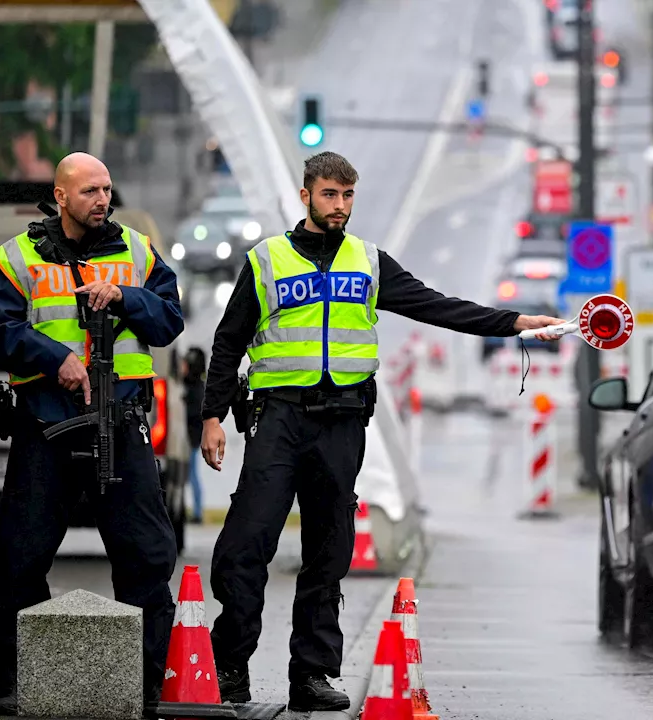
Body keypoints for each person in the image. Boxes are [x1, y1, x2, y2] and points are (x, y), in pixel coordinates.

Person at [199, 151, 566, 711]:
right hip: (277, 420)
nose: (340, 206)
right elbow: (228, 343)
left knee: (329, 552)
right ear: (306, 196)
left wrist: (514, 322)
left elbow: (436, 307)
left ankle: (314, 676)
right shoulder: (267, 260)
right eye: (329, 195)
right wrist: (212, 417)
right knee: (246, 545)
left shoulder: (368, 261)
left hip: (342, 423)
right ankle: (229, 668)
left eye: (347, 196)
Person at [0, 152, 185, 714]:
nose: (103, 200)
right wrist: (55, 360)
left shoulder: (136, 251)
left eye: (107, 189)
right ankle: (17, 683)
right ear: (62, 195)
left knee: (147, 554)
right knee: (17, 557)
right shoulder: (16, 257)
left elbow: (169, 320)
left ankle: (145, 686)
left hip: (121, 422)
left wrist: (126, 297)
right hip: (47, 423)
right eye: (91, 190)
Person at [182, 346, 207, 523]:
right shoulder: (195, 386)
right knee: (191, 475)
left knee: (191, 475)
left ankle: (197, 512)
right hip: (191, 437)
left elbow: (194, 414)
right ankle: (196, 511)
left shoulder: (195, 388)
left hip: (190, 438)